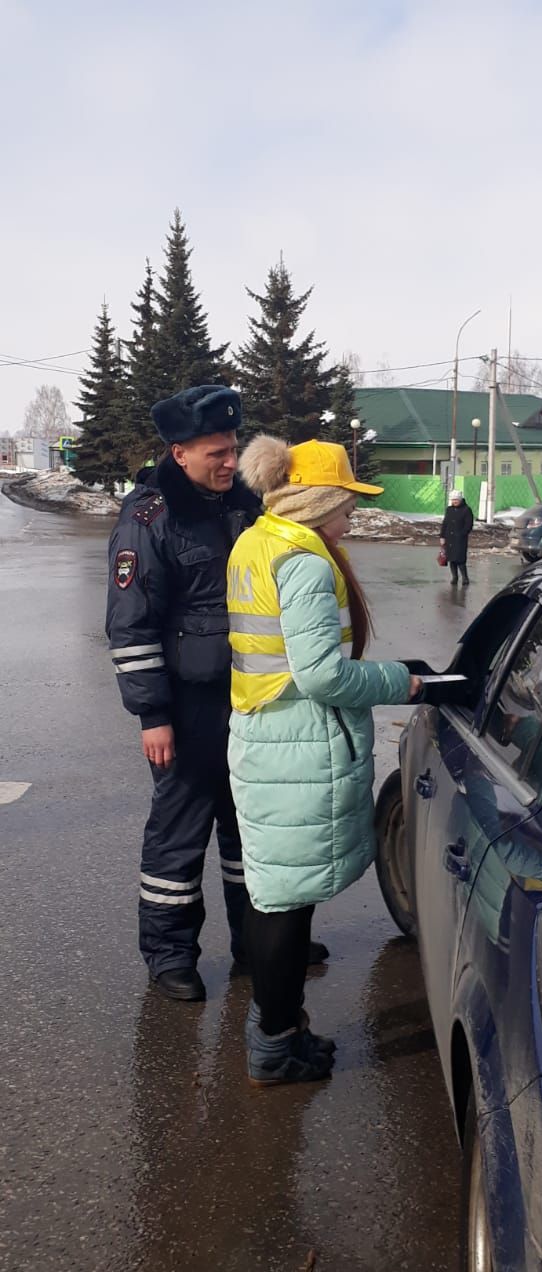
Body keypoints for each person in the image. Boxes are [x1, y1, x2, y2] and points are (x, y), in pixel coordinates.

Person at [106, 386, 328, 1002]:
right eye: (216, 453)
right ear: (178, 453)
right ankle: (170, 954)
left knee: (250, 828)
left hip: (249, 698)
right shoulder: (148, 519)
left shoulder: (245, 506)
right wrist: (152, 714)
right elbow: (131, 626)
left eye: (233, 449)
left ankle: (257, 944)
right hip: (185, 703)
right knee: (179, 833)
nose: (230, 462)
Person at [227, 436, 423, 1085]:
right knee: (282, 905)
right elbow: (321, 677)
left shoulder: (260, 539)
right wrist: (401, 682)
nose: (352, 515)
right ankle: (276, 1046)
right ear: (315, 499)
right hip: (298, 745)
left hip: (268, 735)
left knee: (277, 895)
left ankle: (282, 1032)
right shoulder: (306, 563)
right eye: (346, 502)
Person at [440, 488, 474, 585]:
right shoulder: (449, 510)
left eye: (456, 500)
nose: (454, 502)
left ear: (460, 499)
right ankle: (454, 577)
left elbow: (469, 525)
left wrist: (462, 534)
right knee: (451, 559)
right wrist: (442, 536)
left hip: (460, 539)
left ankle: (465, 578)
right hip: (449, 538)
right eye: (453, 500)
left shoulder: (466, 510)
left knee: (460, 559)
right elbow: (445, 523)